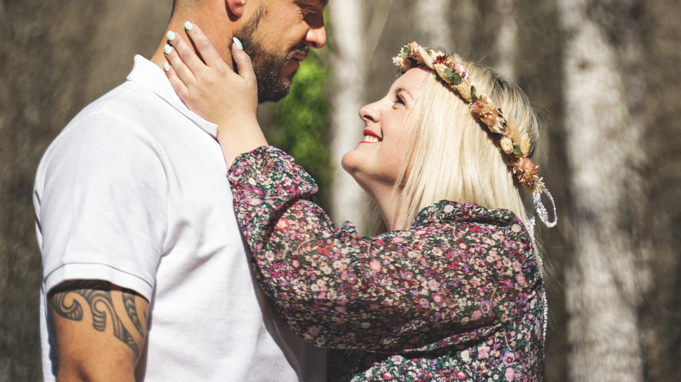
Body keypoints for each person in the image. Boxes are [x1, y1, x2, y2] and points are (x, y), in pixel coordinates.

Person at [34, 0, 341, 382]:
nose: (320, 33)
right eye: (308, 6)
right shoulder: (119, 140)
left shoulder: (250, 158)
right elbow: (91, 371)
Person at [164, 29, 555, 381]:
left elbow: (316, 274)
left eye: (399, 101)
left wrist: (237, 124)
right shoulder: (446, 256)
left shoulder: (491, 256)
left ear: (446, 139)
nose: (368, 108)